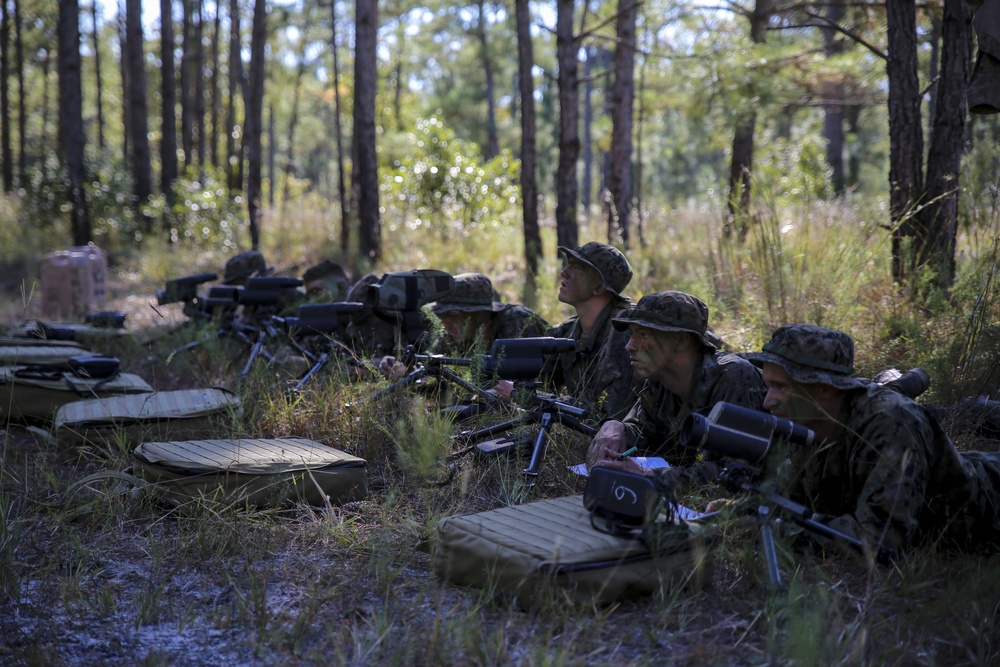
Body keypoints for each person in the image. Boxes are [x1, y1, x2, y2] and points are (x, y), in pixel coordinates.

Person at [745, 324, 1000, 554]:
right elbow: (783, 494)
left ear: (824, 388)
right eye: (769, 386)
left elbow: (879, 540)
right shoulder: (810, 423)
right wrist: (736, 513)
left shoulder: (893, 423)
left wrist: (777, 531)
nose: (768, 402)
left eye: (782, 387)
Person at [587, 290, 766, 469]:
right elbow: (642, 433)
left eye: (644, 335)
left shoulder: (734, 379)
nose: (629, 346)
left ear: (680, 341)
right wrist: (616, 427)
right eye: (632, 334)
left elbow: (734, 477)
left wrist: (656, 478)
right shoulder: (660, 376)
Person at [497, 242, 636, 423]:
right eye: (568, 264)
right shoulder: (570, 330)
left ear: (599, 287)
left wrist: (520, 396)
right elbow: (543, 376)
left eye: (576, 267)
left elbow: (607, 414)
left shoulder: (625, 332)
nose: (564, 272)